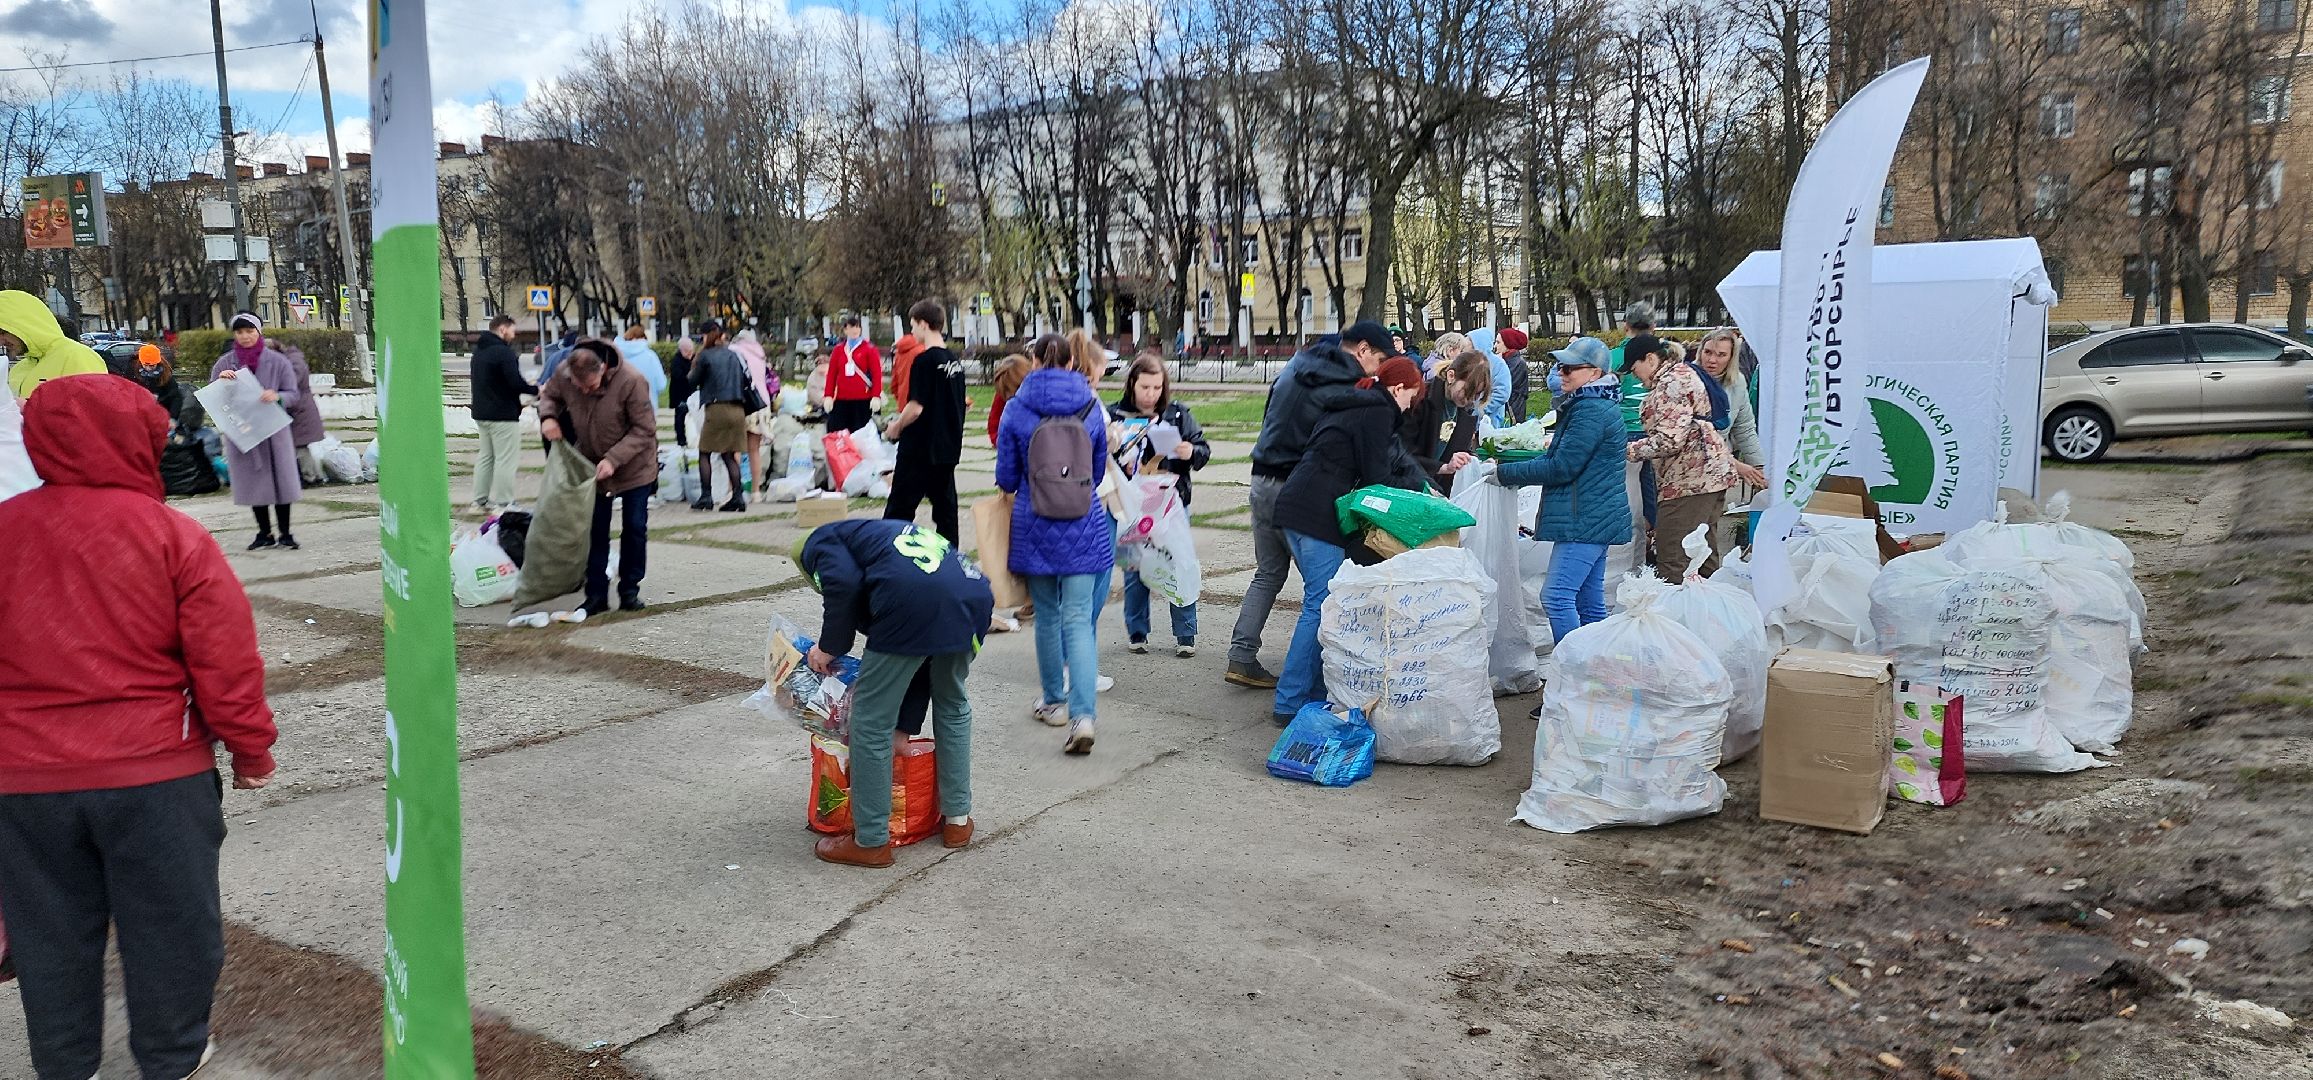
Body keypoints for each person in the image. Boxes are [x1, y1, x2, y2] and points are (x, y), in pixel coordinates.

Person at [0, 373, 278, 1080]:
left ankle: (66, 1065)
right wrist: (249, 749)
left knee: (49, 935)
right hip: (156, 776)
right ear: (141, 442)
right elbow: (225, 658)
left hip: (22, 785)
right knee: (173, 931)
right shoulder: (173, 537)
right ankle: (172, 1056)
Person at [793, 518, 992, 867]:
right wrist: (905, 726)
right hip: (972, 596)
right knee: (952, 703)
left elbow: (843, 583)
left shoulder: (820, 543)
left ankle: (870, 841)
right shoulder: (878, 535)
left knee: (869, 721)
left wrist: (829, 647)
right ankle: (957, 822)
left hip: (912, 602)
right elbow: (919, 659)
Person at [1271, 333, 1430, 722]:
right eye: (1412, 395)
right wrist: (1420, 494)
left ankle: (1308, 691)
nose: (1411, 405)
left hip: (1297, 505)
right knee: (1320, 605)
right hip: (1315, 513)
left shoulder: (1357, 402)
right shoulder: (1375, 410)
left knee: (1322, 603)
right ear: (1398, 387)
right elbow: (1377, 476)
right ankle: (1290, 701)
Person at [1235, 322, 1395, 691]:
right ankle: (1310, 681)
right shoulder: (1346, 384)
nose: (1378, 370)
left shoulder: (1296, 365)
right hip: (1295, 486)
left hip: (1261, 476)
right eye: (1380, 360)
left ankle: (1241, 656)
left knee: (1268, 573)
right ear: (1364, 350)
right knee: (1320, 591)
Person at [995, 334, 1112, 755]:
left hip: (1035, 525)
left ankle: (1054, 703)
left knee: (1046, 616)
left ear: (1034, 360)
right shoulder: (1090, 406)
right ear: (1070, 362)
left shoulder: (1016, 408)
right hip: (1083, 523)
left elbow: (1007, 477)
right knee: (1079, 620)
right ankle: (1084, 716)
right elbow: (1097, 473)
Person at [1497, 337, 1630, 652]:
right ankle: (1594, 677)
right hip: (1595, 515)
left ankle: (1574, 676)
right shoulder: (1594, 404)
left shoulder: (1591, 410)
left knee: (1556, 597)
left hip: (1585, 519)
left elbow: (1562, 467)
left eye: (1570, 367)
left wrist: (1505, 473)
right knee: (1589, 601)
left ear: (1594, 374)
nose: (1561, 373)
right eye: (1560, 366)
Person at [537, 339, 659, 615]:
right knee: (594, 530)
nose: (584, 391)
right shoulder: (565, 373)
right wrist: (548, 417)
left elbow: (645, 429)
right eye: (579, 388)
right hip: (592, 465)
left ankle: (629, 590)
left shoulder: (631, 380)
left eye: (589, 387)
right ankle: (595, 595)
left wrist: (614, 459)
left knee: (635, 527)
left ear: (603, 369)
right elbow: (550, 396)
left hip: (635, 467)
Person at [1108, 352, 1210, 658]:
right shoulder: (1114, 415)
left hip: (1171, 503)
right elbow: (1102, 456)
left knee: (1179, 562)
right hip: (1131, 504)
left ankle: (1185, 634)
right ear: (1132, 385)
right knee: (1133, 566)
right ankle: (1137, 632)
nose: (1151, 395)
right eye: (1145, 388)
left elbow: (1203, 451)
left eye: (1157, 387)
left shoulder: (1177, 413)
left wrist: (1191, 450)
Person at [1623, 333, 1735, 583]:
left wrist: (1628, 450)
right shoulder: (1682, 373)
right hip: (1710, 475)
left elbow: (1670, 440)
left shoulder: (1669, 383)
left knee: (1674, 553)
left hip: (1689, 481)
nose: (1634, 376)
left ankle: (1674, 617)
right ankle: (1712, 614)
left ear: (1650, 359)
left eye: (1634, 368)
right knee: (1702, 553)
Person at [212, 313, 303, 550]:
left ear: (259, 332)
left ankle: (285, 533)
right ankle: (264, 533)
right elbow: (213, 397)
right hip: (244, 431)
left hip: (274, 431)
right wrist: (221, 382)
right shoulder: (225, 363)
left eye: (249, 331)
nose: (245, 336)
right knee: (255, 484)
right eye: (240, 332)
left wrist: (277, 396)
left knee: (280, 481)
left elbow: (293, 394)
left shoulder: (278, 361)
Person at [881, 300, 967, 546]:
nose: (912, 331)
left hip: (919, 449)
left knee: (899, 509)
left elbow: (916, 407)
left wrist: (896, 427)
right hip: (946, 449)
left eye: (913, 325)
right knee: (946, 512)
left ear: (924, 324)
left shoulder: (924, 361)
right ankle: (951, 559)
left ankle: (888, 554)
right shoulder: (954, 361)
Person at [1610, 301, 1659, 574]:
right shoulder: (1662, 354)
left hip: (1624, 430)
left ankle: (1625, 549)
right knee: (1651, 489)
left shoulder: (1614, 356)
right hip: (1655, 431)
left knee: (1626, 492)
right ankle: (1650, 540)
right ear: (1653, 326)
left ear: (1625, 325)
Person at [470, 314, 535, 511]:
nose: (514, 335)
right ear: (502, 329)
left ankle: (479, 500)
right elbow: (515, 383)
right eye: (512, 330)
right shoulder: (504, 353)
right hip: (503, 415)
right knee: (506, 459)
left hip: (482, 413)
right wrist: (536, 389)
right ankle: (504, 502)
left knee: (486, 457)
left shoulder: (479, 352)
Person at [1401, 349, 1489, 492]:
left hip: (1442, 491)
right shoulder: (1419, 401)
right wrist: (1441, 467)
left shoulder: (1465, 412)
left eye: (1477, 394)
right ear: (1451, 376)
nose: (1470, 399)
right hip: (1410, 488)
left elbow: (1459, 450)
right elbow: (1401, 453)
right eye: (1467, 391)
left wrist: (1476, 463)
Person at [688, 321, 750, 512]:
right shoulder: (734, 355)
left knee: (704, 452)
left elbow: (693, 380)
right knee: (729, 454)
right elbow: (745, 379)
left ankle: (706, 496)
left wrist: (694, 364)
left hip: (717, 408)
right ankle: (738, 496)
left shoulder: (705, 356)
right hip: (738, 409)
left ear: (706, 335)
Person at [0, 291, 104, 401]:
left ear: (24, 325)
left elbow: (92, 411)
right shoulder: (20, 368)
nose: (1, 341)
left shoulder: (77, 356)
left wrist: (29, 407)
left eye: (3, 332)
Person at [731, 328, 774, 492]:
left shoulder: (735, 351)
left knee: (735, 449)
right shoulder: (759, 354)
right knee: (754, 450)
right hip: (761, 404)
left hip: (742, 404)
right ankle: (756, 491)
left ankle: (734, 490)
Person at [825, 315, 882, 434]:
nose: (854, 330)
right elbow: (832, 374)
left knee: (861, 434)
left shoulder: (869, 349)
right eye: (851, 327)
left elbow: (876, 374)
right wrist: (828, 395)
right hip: (842, 399)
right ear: (845, 330)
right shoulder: (838, 350)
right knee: (838, 433)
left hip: (862, 399)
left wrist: (876, 395)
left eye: (857, 327)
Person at [616, 325, 669, 407]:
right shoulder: (650, 356)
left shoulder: (616, 355)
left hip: (621, 406)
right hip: (647, 406)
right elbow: (661, 385)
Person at [986, 352, 1027, 446]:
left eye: (1010, 391)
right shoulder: (1001, 396)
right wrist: (1001, 442)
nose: (1008, 396)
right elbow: (993, 424)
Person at [1497, 327, 1532, 423]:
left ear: (1508, 344)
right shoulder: (1506, 360)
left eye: (1498, 342)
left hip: (1513, 407)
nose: (1496, 346)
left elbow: (1504, 382)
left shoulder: (1517, 363)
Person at [669, 335, 696, 450]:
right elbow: (678, 376)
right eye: (687, 352)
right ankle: (681, 440)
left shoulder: (694, 358)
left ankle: (693, 438)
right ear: (682, 350)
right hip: (680, 394)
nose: (690, 354)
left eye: (691, 351)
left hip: (692, 393)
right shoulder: (676, 360)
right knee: (680, 417)